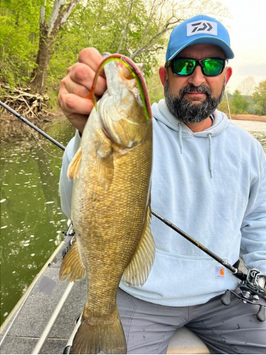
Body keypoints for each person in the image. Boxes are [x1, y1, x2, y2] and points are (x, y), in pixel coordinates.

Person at [58, 14, 266, 353]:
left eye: (211, 65)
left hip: (222, 298)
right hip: (143, 294)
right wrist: (85, 134)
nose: (197, 77)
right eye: (183, 66)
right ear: (164, 75)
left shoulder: (249, 150)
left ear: (225, 76)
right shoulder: (137, 128)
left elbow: (259, 223)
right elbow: (75, 206)